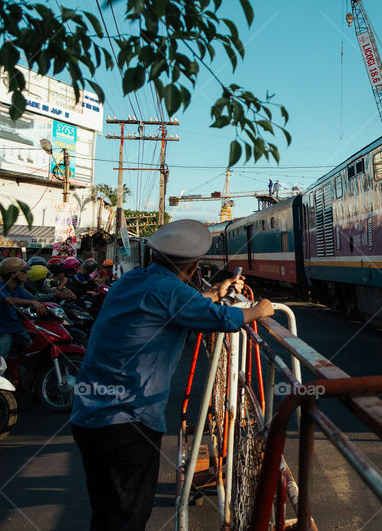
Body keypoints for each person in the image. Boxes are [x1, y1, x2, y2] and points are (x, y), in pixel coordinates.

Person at [70, 219, 274, 531]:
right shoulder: (172, 293)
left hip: (88, 416)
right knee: (128, 517)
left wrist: (214, 295)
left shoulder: (131, 281)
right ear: (193, 268)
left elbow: (177, 306)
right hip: (128, 422)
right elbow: (227, 319)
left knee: (105, 511)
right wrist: (259, 310)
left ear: (152, 258)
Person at [0, 258, 49, 358]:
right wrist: (32, 302)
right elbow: (8, 300)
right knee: (2, 356)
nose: (26, 274)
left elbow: (32, 299)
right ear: (13, 274)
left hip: (16, 326)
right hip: (3, 329)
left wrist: (42, 306)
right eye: (23, 272)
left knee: (30, 346)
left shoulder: (18, 288)